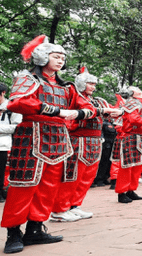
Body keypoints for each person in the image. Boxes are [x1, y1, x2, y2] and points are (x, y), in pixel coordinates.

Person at [2, 35, 95, 254]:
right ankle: (13, 232)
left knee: (49, 186)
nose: (61, 60)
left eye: (63, 57)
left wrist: (78, 112)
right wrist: (57, 111)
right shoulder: (28, 79)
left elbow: (87, 107)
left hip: (58, 138)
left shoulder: (66, 86)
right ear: (43, 57)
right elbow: (18, 102)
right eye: (56, 56)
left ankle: (35, 228)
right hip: (31, 135)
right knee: (23, 185)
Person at [51, 67, 119, 221]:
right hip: (78, 139)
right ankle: (60, 209)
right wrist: (103, 111)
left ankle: (74, 205)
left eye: (94, 84)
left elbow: (106, 110)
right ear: (81, 84)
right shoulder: (74, 96)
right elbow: (88, 112)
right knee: (72, 175)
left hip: (94, 140)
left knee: (87, 176)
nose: (93, 87)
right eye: (90, 83)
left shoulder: (95, 100)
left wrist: (116, 111)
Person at [0, 82, 22, 203]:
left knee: (1, 171)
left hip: (5, 145)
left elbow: (17, 127)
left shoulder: (12, 107)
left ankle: (0, 194)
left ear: (3, 93)